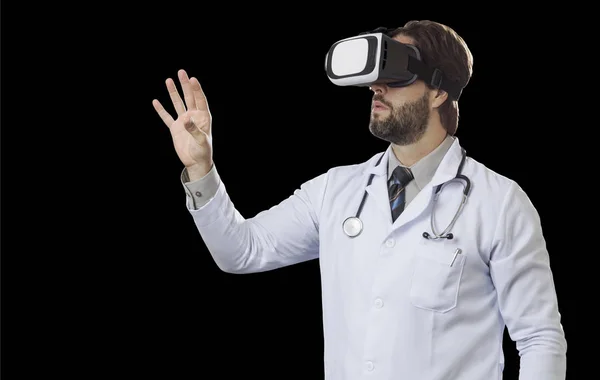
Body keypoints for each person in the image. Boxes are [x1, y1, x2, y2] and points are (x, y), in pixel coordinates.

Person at [153, 20, 567, 379]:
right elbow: (241, 251)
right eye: (375, 73)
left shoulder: (500, 203)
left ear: (439, 91)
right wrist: (201, 169)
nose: (376, 86)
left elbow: (539, 339)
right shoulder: (336, 190)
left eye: (396, 73)